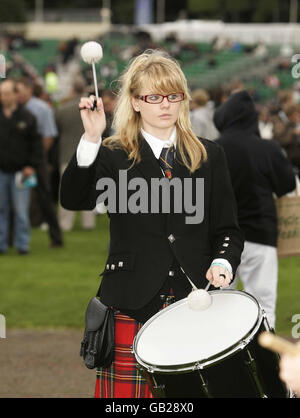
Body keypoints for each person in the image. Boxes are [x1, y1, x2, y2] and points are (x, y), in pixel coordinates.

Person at [60, 50, 244, 398]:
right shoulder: (112, 153)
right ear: (135, 102)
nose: (166, 105)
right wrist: (91, 140)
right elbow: (74, 199)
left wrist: (222, 261)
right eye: (154, 96)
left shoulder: (209, 155)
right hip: (131, 297)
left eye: (173, 95)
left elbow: (228, 229)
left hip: (195, 299)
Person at [214, 90, 296, 330]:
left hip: (220, 238)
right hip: (260, 234)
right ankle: (265, 364)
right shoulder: (266, 148)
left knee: (219, 305)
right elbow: (287, 185)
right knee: (263, 305)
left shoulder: (212, 148)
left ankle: (222, 364)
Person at [16, 77, 63, 248]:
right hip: (19, 161)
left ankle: (56, 237)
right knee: (16, 199)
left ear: (29, 90)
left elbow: (49, 135)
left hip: (37, 160)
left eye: (20, 91)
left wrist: (40, 158)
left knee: (45, 199)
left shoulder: (41, 108)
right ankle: (13, 237)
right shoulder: (15, 109)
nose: (17, 95)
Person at [0, 79, 43, 254]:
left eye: (7, 93)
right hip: (1, 171)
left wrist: (31, 165)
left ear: (15, 95)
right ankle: (1, 244)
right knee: (1, 209)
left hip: (22, 171)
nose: (3, 97)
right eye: (1, 94)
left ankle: (22, 245)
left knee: (21, 210)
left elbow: (36, 144)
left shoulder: (27, 117)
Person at [56, 77, 96, 231]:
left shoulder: (63, 109)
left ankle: (65, 223)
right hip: (90, 153)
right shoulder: (92, 108)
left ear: (72, 90)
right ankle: (88, 222)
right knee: (89, 189)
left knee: (66, 190)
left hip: (67, 154)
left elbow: (56, 130)